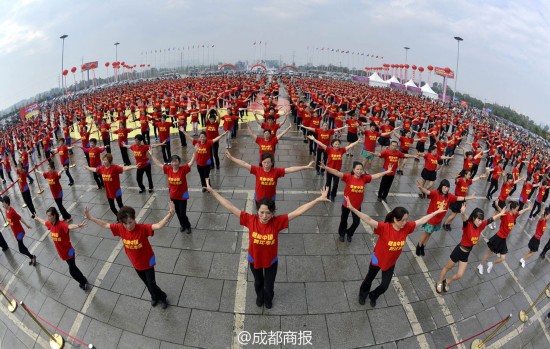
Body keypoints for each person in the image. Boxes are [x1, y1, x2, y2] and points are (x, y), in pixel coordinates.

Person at [207, 180, 329, 309]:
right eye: (262, 212)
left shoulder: (277, 222)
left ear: (272, 213)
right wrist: (213, 191)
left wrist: (317, 200)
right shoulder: (250, 219)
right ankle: (260, 297)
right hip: (254, 260)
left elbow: (298, 211)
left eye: (268, 213)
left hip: (271, 261)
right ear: (257, 211)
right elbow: (230, 206)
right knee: (258, 282)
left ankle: (268, 298)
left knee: (269, 285)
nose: (264, 216)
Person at [343, 196, 446, 307]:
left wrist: (437, 211)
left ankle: (373, 295)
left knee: (384, 286)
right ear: (395, 219)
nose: (405, 222)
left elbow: (421, 220)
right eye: (403, 220)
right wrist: (353, 209)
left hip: (390, 262)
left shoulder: (406, 227)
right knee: (369, 278)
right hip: (376, 258)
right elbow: (368, 219)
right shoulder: (384, 227)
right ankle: (363, 294)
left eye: (406, 219)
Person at [84, 202, 175, 308]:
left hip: (148, 262)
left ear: (134, 218)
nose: (129, 226)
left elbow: (159, 225)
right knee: (146, 283)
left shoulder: (143, 228)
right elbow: (105, 225)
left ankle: (162, 297)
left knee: (152, 284)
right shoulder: (120, 228)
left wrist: (170, 213)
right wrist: (90, 217)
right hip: (136, 263)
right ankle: (154, 296)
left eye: (131, 222)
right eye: (125, 223)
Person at [436, 204, 506, 293]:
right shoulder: (468, 225)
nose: (480, 222)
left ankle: (446, 281)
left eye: (481, 220)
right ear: (473, 218)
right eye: (478, 219)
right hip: (459, 251)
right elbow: (465, 219)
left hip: (466, 254)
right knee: (447, 268)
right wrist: (462, 213)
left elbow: (491, 219)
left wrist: (500, 214)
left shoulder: (481, 225)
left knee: (460, 275)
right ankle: (439, 282)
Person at [321, 161, 392, 242]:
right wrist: (325, 167)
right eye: (357, 169)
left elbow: (375, 176)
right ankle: (342, 234)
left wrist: (387, 171)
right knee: (344, 220)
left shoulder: (364, 178)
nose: (359, 171)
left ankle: (349, 233)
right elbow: (336, 172)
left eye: (361, 169)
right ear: (353, 170)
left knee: (356, 222)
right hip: (346, 205)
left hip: (357, 206)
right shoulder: (348, 177)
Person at [226, 151, 314, 202]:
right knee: (260, 213)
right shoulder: (257, 170)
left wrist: (305, 167)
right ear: (261, 163)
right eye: (264, 162)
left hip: (271, 198)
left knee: (270, 214)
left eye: (268, 162)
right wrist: (232, 158)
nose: (266, 164)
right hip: (259, 197)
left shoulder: (276, 171)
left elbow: (290, 169)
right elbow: (244, 164)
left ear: (272, 163)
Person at [416, 179, 474, 256]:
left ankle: (423, 246)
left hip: (438, 220)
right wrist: (420, 187)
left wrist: (468, 198)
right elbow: (427, 192)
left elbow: (457, 198)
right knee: (426, 233)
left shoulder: (449, 196)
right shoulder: (436, 193)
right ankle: (419, 246)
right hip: (431, 218)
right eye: (445, 187)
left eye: (447, 187)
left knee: (430, 233)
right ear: (441, 186)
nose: (446, 189)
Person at [34, 207, 88, 289]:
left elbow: (69, 226)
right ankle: (83, 278)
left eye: (49, 216)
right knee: (73, 267)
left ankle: (83, 282)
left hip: (69, 251)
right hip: (62, 253)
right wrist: (37, 218)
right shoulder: (50, 224)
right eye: (47, 216)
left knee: (72, 271)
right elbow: (44, 222)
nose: (48, 218)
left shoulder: (61, 224)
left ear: (54, 215)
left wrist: (77, 226)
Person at [149, 147, 196, 233]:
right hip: (173, 195)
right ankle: (182, 225)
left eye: (176, 161)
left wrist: (194, 153)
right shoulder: (168, 169)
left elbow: (191, 163)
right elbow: (159, 164)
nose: (174, 163)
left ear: (179, 162)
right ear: (171, 163)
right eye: (172, 161)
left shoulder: (183, 169)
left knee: (182, 213)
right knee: (177, 212)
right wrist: (152, 155)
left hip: (183, 195)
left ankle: (188, 225)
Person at [477, 201, 532, 274]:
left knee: (502, 258)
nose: (517, 211)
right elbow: (500, 211)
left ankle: (491, 263)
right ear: (512, 209)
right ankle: (480, 265)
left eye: (517, 209)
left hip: (503, 239)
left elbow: (520, 212)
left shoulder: (514, 215)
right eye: (516, 209)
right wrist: (497, 206)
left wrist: (527, 208)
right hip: (498, 237)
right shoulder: (506, 214)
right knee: (489, 253)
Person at [309, 137, 361, 201]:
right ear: (332, 144)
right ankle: (326, 195)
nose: (337, 145)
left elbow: (350, 146)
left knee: (336, 184)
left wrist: (357, 141)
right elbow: (321, 144)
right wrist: (314, 139)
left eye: (338, 144)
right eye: (336, 144)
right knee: (328, 183)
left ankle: (333, 195)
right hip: (329, 170)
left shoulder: (342, 150)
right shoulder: (329, 150)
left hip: (337, 171)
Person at [1, 196, 36, 265]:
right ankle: (32, 257)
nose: (2, 204)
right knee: (22, 246)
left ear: (7, 204)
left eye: (4, 203)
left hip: (19, 232)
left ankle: (32, 256)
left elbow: (20, 218)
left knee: (21, 249)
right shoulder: (6, 211)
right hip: (15, 233)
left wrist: (26, 225)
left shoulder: (12, 212)